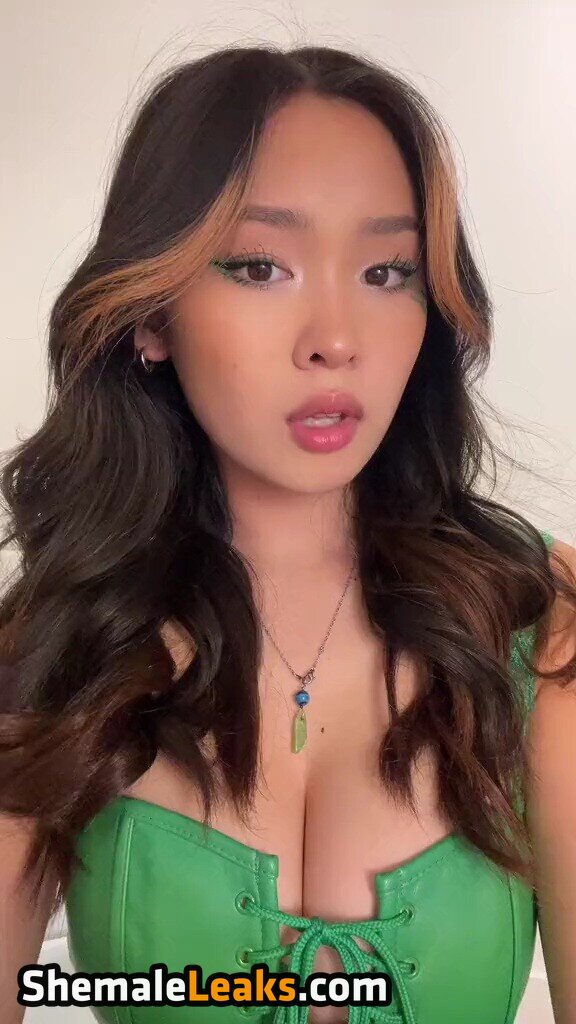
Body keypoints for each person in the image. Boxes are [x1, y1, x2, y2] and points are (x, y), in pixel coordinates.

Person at [1, 42, 575, 1024]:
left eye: (386, 271)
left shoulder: (539, 625)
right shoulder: (59, 644)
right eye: (261, 266)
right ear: (150, 315)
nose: (336, 338)